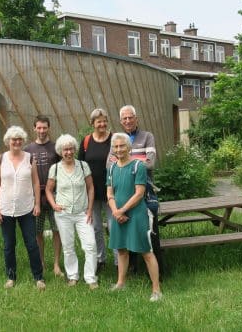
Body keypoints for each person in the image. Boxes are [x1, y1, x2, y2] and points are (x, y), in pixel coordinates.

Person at [107, 133, 162, 301]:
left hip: (137, 214)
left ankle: (156, 290)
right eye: (115, 146)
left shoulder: (139, 166)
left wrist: (122, 210)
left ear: (129, 147)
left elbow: (139, 194)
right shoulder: (112, 168)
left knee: (146, 251)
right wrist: (116, 211)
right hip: (118, 214)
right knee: (122, 250)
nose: (119, 149)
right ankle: (121, 283)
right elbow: (110, 193)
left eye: (122, 146)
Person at [0, 126, 45, 290]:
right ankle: (10, 277)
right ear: (8, 141)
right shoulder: (0, 159)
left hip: (27, 208)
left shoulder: (30, 158)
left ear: (23, 141)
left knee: (32, 244)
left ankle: (38, 277)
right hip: (6, 209)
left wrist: (37, 204)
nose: (16, 142)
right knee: (9, 245)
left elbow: (36, 182)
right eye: (13, 139)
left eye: (19, 139)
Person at [46, 134, 99, 289]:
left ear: (75, 150)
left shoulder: (83, 166)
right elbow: (49, 190)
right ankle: (73, 276)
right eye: (65, 149)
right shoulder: (55, 168)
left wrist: (89, 209)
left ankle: (90, 278)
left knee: (90, 245)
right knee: (68, 247)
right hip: (63, 215)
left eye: (70, 149)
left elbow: (91, 188)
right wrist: (54, 205)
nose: (68, 152)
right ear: (60, 151)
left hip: (83, 213)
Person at [119, 105, 164, 275]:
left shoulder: (147, 136)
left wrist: (126, 163)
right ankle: (133, 270)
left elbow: (151, 163)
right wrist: (139, 161)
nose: (128, 121)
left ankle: (158, 275)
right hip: (125, 194)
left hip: (146, 194)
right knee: (129, 233)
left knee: (151, 234)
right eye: (125, 118)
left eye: (131, 117)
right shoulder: (119, 139)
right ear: (121, 121)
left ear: (136, 118)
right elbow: (111, 164)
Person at [24, 115, 64, 278]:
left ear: (49, 128)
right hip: (36, 197)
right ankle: (40, 262)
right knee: (38, 232)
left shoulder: (56, 148)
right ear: (34, 128)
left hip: (55, 195)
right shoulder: (28, 150)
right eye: (38, 128)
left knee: (57, 230)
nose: (41, 131)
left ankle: (56, 264)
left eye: (44, 128)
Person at [77, 108, 113, 272]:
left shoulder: (114, 139)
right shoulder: (86, 142)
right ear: (92, 123)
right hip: (92, 192)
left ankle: (120, 261)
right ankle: (100, 259)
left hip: (112, 191)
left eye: (104, 120)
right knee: (96, 227)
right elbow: (80, 166)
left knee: (114, 227)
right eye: (99, 121)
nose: (102, 124)